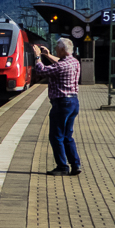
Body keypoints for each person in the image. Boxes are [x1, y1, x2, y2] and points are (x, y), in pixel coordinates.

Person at [33, 38, 81, 176]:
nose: (55, 49)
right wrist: (48, 55)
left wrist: (37, 57)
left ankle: (62, 167)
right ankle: (75, 165)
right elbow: (60, 62)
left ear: (62, 50)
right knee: (67, 136)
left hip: (62, 104)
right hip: (73, 102)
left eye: (56, 48)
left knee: (56, 136)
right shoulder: (74, 62)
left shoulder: (62, 66)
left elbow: (41, 71)